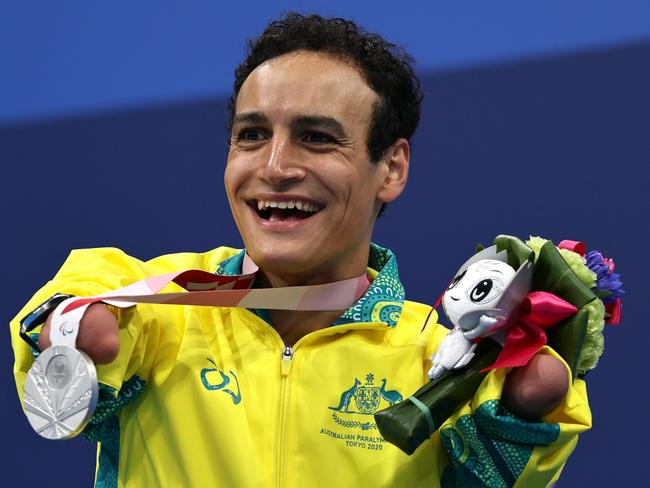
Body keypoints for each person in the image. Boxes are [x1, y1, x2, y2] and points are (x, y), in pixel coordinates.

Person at [10, 13, 590, 487]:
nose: (275, 167)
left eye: (316, 138)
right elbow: (81, 332)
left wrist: (521, 416)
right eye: (252, 135)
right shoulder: (163, 308)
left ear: (391, 168)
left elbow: (502, 471)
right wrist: (67, 328)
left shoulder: (438, 363)